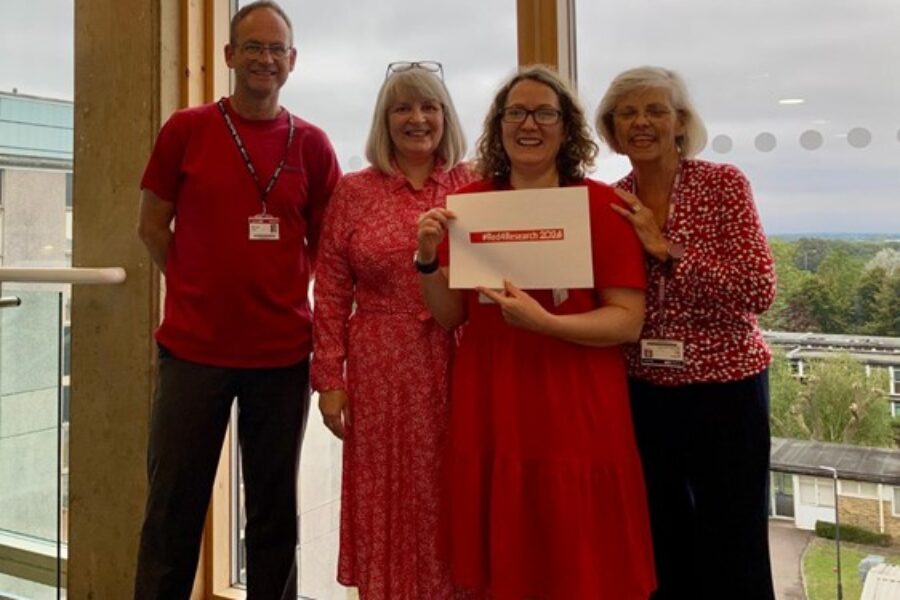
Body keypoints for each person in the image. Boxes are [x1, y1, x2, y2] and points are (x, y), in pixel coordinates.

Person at [416, 65, 656, 600]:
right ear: (499, 127)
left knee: (580, 561)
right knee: (507, 568)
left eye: (544, 113)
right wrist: (427, 260)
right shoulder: (471, 207)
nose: (530, 124)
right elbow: (452, 316)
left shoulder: (601, 207)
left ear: (566, 128)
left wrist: (546, 323)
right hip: (494, 401)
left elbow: (627, 320)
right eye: (516, 112)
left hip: (576, 405)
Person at [133, 2, 341, 598]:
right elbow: (151, 227)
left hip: (281, 359)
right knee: (172, 511)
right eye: (252, 47)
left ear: (292, 62)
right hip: (193, 354)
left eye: (276, 49)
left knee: (274, 517)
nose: (264, 59)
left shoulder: (315, 146)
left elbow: (327, 253)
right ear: (229, 56)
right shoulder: (187, 130)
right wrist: (196, 286)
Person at [595, 66, 777, 600]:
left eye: (655, 110)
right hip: (644, 392)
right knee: (658, 540)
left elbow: (757, 289)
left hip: (727, 391)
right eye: (627, 113)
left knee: (733, 542)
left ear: (680, 122)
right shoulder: (611, 200)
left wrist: (667, 250)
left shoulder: (722, 185)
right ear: (612, 129)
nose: (641, 122)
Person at [311, 61, 473, 600]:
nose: (417, 118)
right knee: (391, 491)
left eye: (429, 107)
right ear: (385, 121)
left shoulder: (474, 185)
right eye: (403, 107)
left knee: (454, 485)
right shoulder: (355, 192)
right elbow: (331, 291)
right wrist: (329, 380)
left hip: (462, 358)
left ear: (446, 117)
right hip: (381, 363)